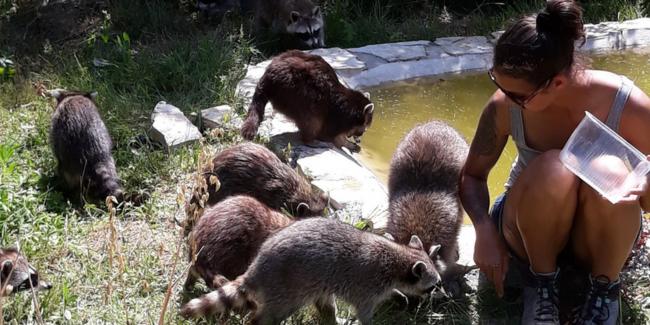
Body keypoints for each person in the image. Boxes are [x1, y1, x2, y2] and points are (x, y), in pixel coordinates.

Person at [459, 0, 650, 324]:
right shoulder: (504, 105)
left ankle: (603, 292)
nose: (505, 97)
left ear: (556, 84)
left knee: (610, 170)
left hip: (597, 239)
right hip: (527, 233)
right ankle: (541, 286)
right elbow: (473, 176)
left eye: (518, 95)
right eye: (497, 82)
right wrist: (483, 229)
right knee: (554, 168)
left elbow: (647, 204)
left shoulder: (626, 104)